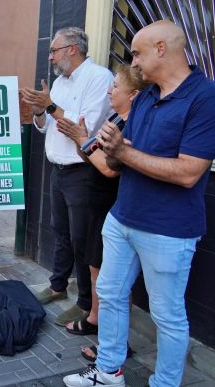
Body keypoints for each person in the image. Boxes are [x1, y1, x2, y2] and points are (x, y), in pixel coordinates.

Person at [63, 21, 215, 387]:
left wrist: (123, 153)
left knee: (167, 315)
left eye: (137, 53)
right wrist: (108, 146)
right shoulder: (146, 96)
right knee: (111, 295)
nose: (133, 63)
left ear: (161, 49)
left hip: (169, 230)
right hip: (123, 219)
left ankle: (165, 383)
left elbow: (188, 173)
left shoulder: (204, 98)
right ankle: (108, 371)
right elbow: (118, 163)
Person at [21, 27, 113, 326]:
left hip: (84, 170)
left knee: (82, 238)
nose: (50, 57)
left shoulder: (99, 78)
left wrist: (50, 105)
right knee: (60, 231)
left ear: (73, 49)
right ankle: (58, 285)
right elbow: (46, 125)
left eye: (55, 50)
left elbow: (87, 125)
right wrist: (39, 111)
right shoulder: (59, 82)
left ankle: (87, 303)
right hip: (58, 169)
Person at [57, 65, 146, 361]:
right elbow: (91, 151)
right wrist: (80, 139)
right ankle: (96, 321)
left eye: (116, 87)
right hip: (98, 207)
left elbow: (109, 168)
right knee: (96, 269)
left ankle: (116, 344)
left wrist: (81, 137)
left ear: (133, 95)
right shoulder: (115, 118)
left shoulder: (132, 126)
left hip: (112, 206)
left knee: (112, 280)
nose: (110, 90)